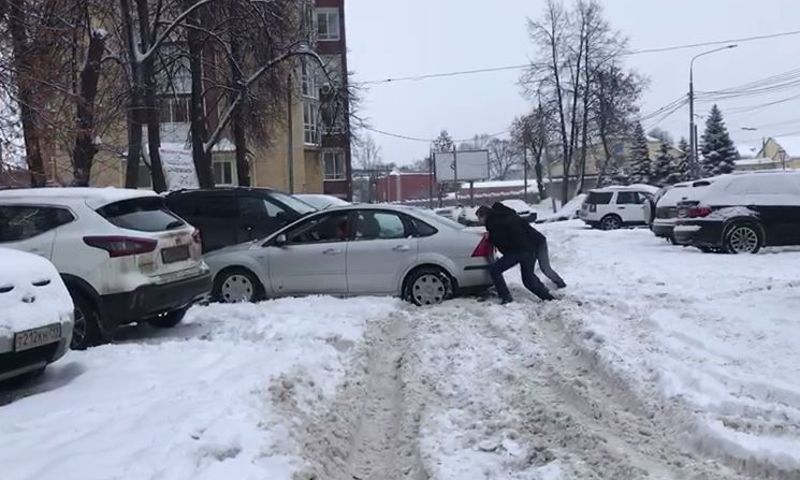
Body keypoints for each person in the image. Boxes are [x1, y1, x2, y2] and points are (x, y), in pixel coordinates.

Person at [476, 202, 565, 304]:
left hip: (518, 251)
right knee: (528, 279)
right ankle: (547, 297)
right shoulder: (505, 215)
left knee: (495, 270)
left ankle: (506, 297)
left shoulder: (494, 222)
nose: (480, 222)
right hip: (528, 249)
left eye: (479, 219)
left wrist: (490, 237)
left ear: (484, 215)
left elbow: (501, 240)